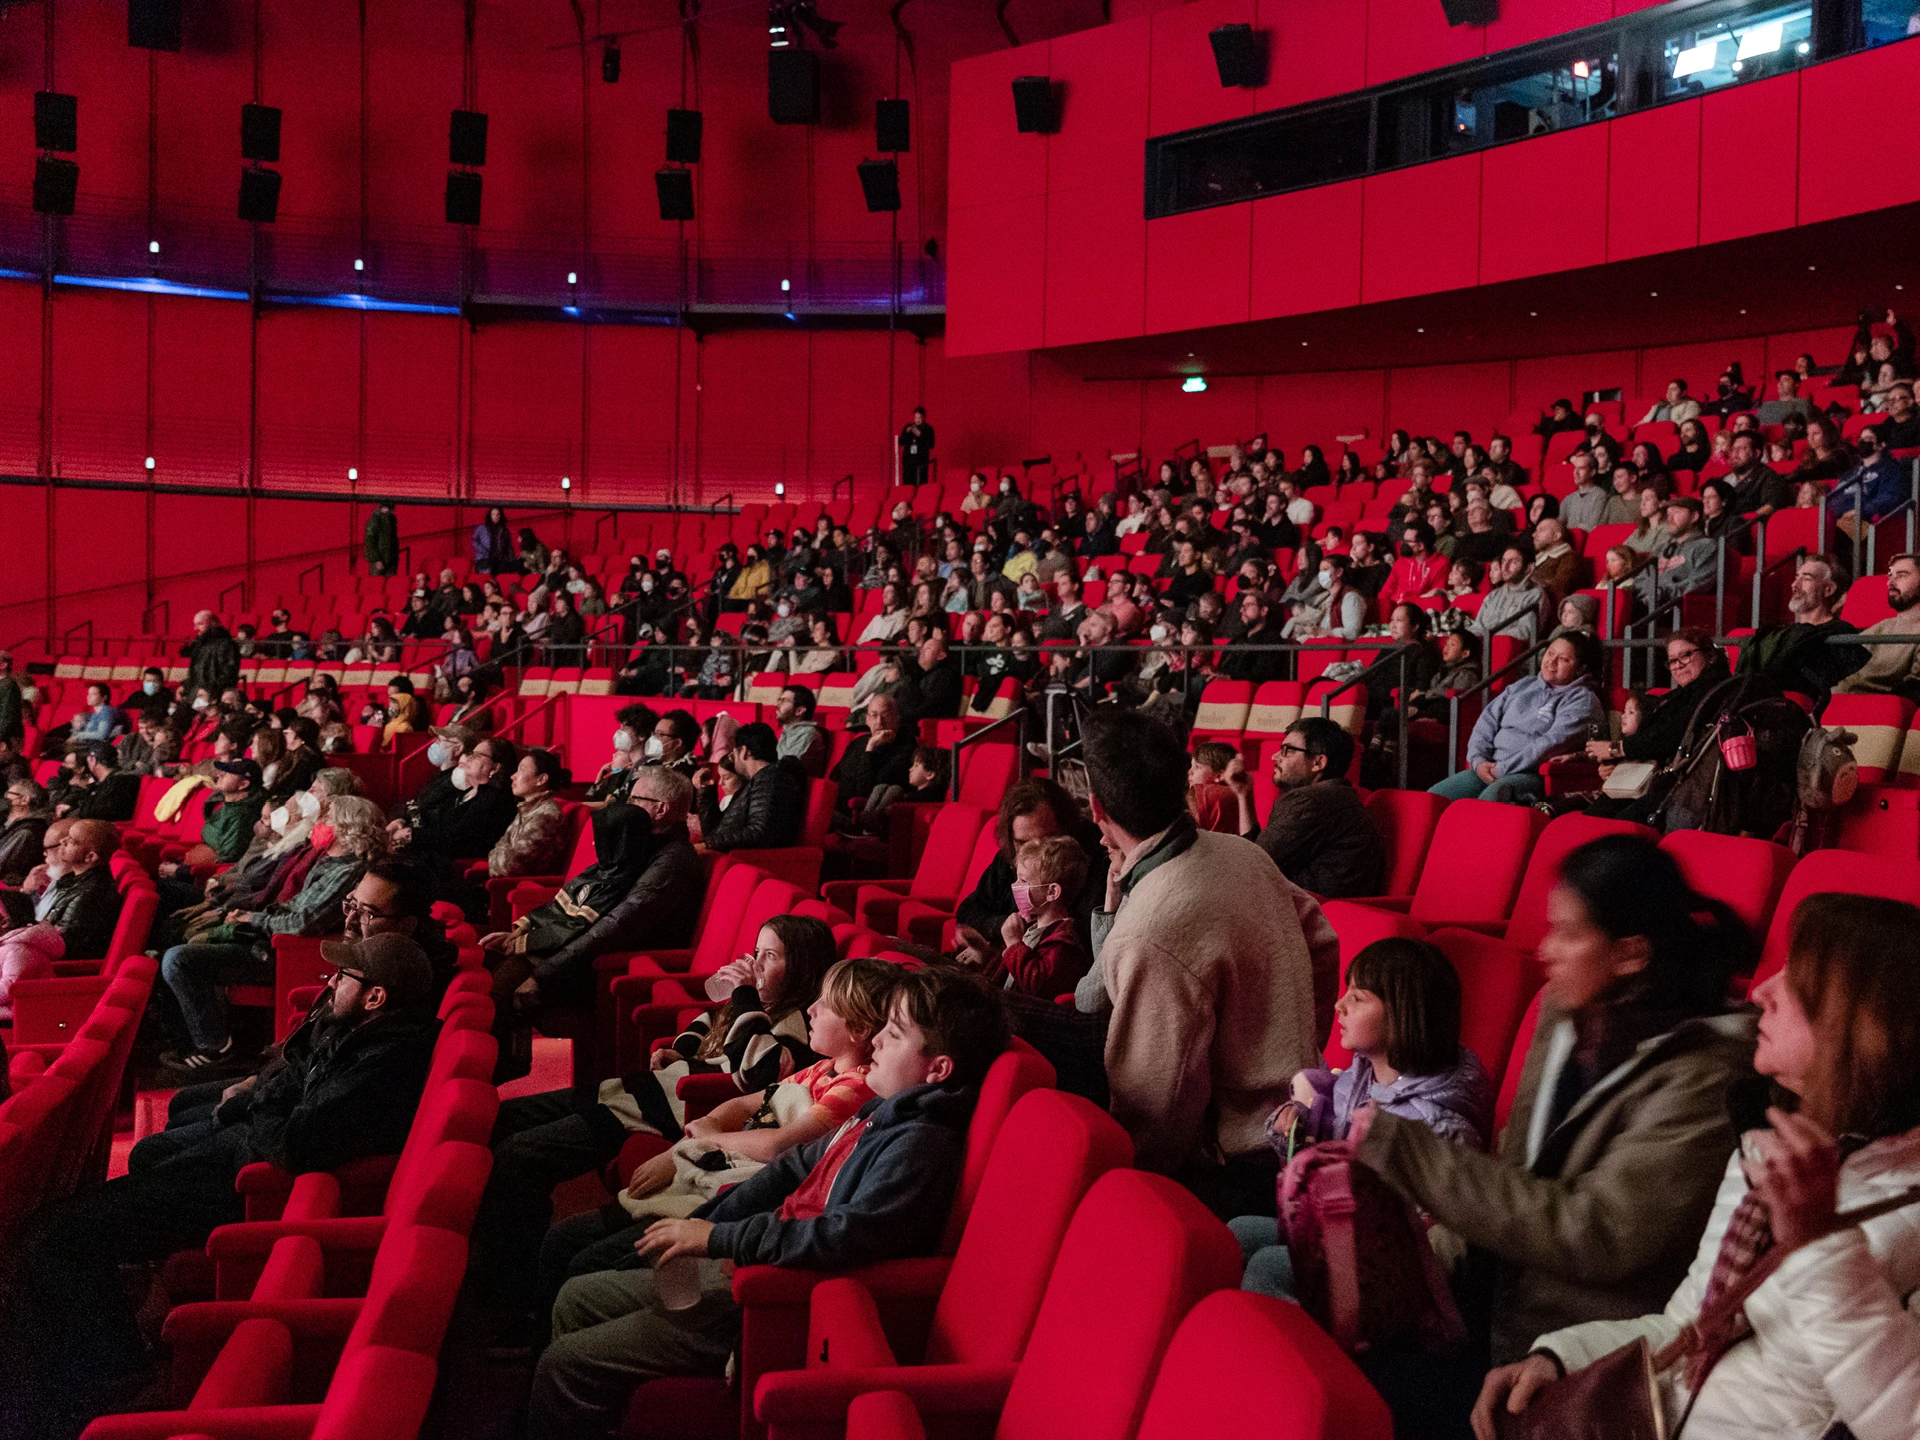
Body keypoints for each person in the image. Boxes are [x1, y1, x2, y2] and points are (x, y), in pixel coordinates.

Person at [1475, 893, 1920, 1440]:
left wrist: (1819, 1246)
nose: (1762, 991)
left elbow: (1908, 1421)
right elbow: (1688, 1327)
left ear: (1864, 1033)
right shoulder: (1766, 1147)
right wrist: (1561, 1358)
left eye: (1799, 984)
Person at [1350, 837, 1756, 1433]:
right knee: (1288, 1285)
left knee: (1338, 1391)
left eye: (1567, 934)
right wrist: (1426, 1264)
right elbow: (1515, 1170)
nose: (1544, 950)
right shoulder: (1565, 1011)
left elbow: (1597, 1233)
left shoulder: (1707, 1072)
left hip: (1563, 1362)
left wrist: (1408, 1153)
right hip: (1486, 1306)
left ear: (1630, 953)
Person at [525, 966, 1009, 1440]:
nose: (878, 1040)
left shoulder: (920, 1145)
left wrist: (720, 1237)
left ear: (937, 1068)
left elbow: (845, 1235)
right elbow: (791, 1167)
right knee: (577, 1296)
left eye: (895, 1034)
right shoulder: (884, 1109)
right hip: (751, 1257)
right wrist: (704, 1225)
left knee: (565, 1363)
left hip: (775, 1294)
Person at [2, 935, 440, 1436]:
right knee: (68, 1223)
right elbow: (292, 1088)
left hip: (252, 1184)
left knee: (53, 1238)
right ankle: (107, 1362)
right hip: (244, 1156)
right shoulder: (360, 1031)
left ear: (375, 997)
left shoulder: (382, 1060)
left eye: (343, 977)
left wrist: (260, 1102)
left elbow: (294, 1140)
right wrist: (266, 1100)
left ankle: (101, 1383)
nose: (331, 982)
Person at [471, 913, 836, 1328]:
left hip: (650, 1114)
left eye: (770, 956)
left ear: (801, 966)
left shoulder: (795, 1024)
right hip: (636, 1092)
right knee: (505, 1116)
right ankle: (495, 1268)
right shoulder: (752, 1007)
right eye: (756, 952)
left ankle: (511, 1298)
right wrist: (681, 1050)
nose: (755, 964)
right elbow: (706, 1026)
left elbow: (759, 1073)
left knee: (520, 1154)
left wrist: (744, 997)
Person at [1075, 708, 1334, 1217]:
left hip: (1233, 1169)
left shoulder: (1148, 929)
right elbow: (1322, 944)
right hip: (1293, 1123)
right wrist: (1298, 1048)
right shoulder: (1244, 854)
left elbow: (1157, 1109)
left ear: (1096, 807)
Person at [542, 956, 898, 1313]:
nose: (811, 1008)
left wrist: (708, 1137)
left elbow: (779, 1146)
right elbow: (743, 1104)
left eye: (826, 1004)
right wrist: (674, 1155)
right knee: (566, 1239)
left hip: (732, 1195)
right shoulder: (822, 1068)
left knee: (583, 1261)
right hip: (711, 1176)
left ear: (859, 1028)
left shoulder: (856, 1087)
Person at [1231, 938, 1493, 1299]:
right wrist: (1296, 1126)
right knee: (1239, 1233)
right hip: (1340, 1230)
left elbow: (1429, 1243)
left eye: (1357, 998)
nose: (1339, 1005)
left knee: (1269, 1266)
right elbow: (1328, 1154)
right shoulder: (1361, 1078)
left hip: (1385, 1272)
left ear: (1401, 1015)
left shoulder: (1440, 1125)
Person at [156, 794, 387, 1072]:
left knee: (179, 960)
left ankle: (215, 1047)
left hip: (284, 953)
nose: (320, 822)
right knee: (175, 947)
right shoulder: (328, 862)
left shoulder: (348, 872)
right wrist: (249, 917)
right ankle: (189, 1038)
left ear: (346, 828)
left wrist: (254, 919)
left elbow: (303, 922)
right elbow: (291, 905)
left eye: (328, 818)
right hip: (268, 938)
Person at [480, 769, 704, 1018]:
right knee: (487, 963)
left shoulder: (673, 861)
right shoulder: (641, 843)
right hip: (582, 953)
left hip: (609, 966)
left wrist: (544, 974)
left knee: (494, 994)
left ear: (660, 809)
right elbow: (582, 895)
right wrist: (524, 934)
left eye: (635, 799)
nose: (626, 804)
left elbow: (617, 925)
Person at [1430, 633, 1604, 805]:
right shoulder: (1524, 685)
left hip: (1529, 774)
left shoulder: (1583, 700)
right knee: (1432, 799)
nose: (1551, 662)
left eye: (1563, 659)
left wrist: (1502, 768)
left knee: (1490, 800)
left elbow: (1551, 744)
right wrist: (1479, 760)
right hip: (1488, 767)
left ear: (1580, 668)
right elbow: (1487, 722)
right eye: (1550, 653)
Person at [1225, 716, 1385, 899]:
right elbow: (1255, 855)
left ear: (1318, 763)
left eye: (1287, 751)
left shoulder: (1311, 801)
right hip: (1303, 904)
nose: (1274, 757)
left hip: (1307, 910)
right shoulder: (1337, 796)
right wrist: (1243, 795)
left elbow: (1251, 864)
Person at [1743, 555, 1868, 705]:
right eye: (1797, 577)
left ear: (1828, 589)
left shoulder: (1840, 633)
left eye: (1807, 578)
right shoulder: (1781, 634)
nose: (1795, 585)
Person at [988, 834, 1092, 998]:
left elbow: (1037, 984)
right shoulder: (1032, 928)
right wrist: (983, 952)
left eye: (1023, 881)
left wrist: (1014, 944)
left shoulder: (1064, 943)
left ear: (1052, 892)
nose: (1015, 886)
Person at [695, 721, 805, 852]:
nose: (733, 760)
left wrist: (708, 844)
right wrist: (706, 791)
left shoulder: (771, 779)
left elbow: (759, 832)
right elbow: (714, 831)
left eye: (733, 754)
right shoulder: (754, 782)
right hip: (731, 855)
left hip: (747, 859)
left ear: (744, 751)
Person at [1836, 553, 1920, 699]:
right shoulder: (1882, 627)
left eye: (1902, 575)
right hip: (1831, 699)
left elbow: (1914, 686)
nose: (1891, 582)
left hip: (1870, 705)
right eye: (1890, 576)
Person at [488, 748, 571, 879]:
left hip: (529, 887)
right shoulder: (528, 809)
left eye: (521, 770)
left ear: (541, 779)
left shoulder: (546, 817)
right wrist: (498, 853)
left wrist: (496, 854)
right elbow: (500, 846)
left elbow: (511, 865)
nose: (513, 776)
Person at [828, 693, 915, 818]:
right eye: (874, 715)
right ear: (867, 720)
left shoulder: (906, 747)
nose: (879, 722)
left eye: (885, 715)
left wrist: (870, 749)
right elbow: (835, 777)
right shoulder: (858, 743)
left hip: (859, 817)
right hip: (835, 809)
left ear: (897, 718)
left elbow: (865, 791)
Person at [1827, 424, 1908, 539]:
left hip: (1862, 521)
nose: (1862, 442)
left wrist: (1861, 511)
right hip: (1836, 519)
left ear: (1881, 445)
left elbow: (1892, 497)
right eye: (1861, 439)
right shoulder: (1851, 473)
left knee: (1828, 535)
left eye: (1868, 439)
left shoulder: (1890, 469)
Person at [56, 742, 140, 822]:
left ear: (93, 760)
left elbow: (95, 813)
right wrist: (71, 807)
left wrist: (91, 787)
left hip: (106, 826)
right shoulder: (108, 781)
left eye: (88, 760)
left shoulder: (119, 782)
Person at [0, 777, 50, 887]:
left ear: (24, 800)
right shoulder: (14, 825)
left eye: (9, 794)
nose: (5, 797)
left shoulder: (26, 832)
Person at [772, 684, 829, 778]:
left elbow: (787, 766)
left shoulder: (808, 732)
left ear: (799, 711)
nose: (778, 705)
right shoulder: (786, 730)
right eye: (779, 700)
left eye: (784, 701)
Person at [1186, 740, 1240, 834]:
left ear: (1219, 775)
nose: (1190, 772)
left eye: (1197, 767)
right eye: (1191, 766)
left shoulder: (1214, 795)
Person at [897, 405, 935, 487]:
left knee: (921, 481)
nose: (917, 420)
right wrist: (906, 433)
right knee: (908, 482)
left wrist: (920, 435)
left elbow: (931, 444)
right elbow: (901, 442)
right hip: (909, 459)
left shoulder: (928, 429)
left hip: (921, 460)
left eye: (919, 418)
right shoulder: (909, 427)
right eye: (916, 417)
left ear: (924, 418)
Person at [473, 505, 516, 575]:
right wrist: (483, 551)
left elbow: (509, 547)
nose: (496, 516)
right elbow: (474, 541)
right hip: (485, 560)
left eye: (498, 514)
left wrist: (512, 562)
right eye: (493, 514)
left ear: (501, 516)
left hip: (500, 560)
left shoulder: (504, 530)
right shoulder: (482, 529)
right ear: (490, 515)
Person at [363, 499, 400, 575]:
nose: (391, 511)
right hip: (380, 560)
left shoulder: (391, 522)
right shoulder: (375, 521)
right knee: (377, 580)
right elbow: (370, 541)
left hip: (390, 561)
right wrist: (376, 559)